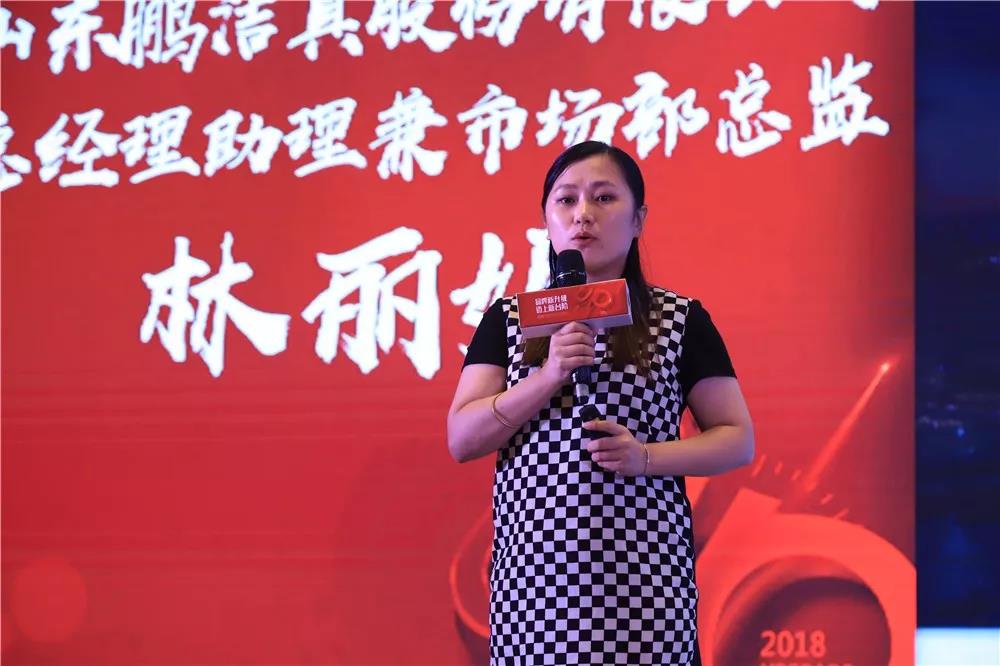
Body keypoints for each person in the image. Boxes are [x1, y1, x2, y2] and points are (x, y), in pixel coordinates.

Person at [447, 140, 754, 665]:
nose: (582, 214)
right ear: (546, 220)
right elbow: (461, 438)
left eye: (604, 198)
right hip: (535, 592)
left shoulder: (678, 319)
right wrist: (548, 376)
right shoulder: (510, 319)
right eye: (566, 200)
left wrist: (645, 457)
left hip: (645, 586)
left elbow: (737, 439)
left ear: (638, 220)